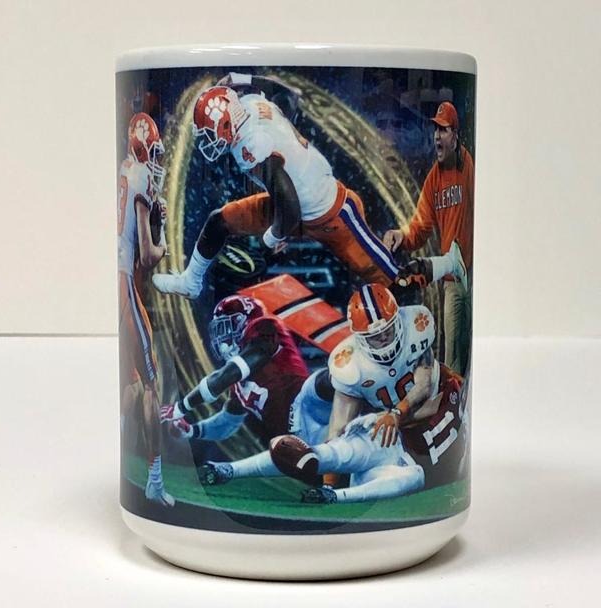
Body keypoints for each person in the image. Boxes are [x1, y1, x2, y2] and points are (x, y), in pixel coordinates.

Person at [152, 79, 466, 300]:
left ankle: (449, 263)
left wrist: (269, 241)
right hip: (291, 202)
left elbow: (290, 209)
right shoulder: (251, 104)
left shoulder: (250, 143)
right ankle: (191, 281)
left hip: (331, 213)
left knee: (396, 283)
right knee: (219, 221)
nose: (208, 143)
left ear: (226, 124)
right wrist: (241, 78)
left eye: (210, 133)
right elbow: (288, 95)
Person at [270, 283, 465, 503]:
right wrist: (328, 483)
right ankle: (331, 491)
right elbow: (338, 429)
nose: (383, 339)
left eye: (387, 331)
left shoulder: (416, 325)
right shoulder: (350, 365)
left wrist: (397, 412)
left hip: (438, 405)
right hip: (399, 432)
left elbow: (424, 386)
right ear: (360, 338)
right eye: (374, 336)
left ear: (398, 321)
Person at [160, 294, 333, 484]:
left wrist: (181, 407)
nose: (223, 336)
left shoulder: (265, 327)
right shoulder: (238, 384)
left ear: (245, 320)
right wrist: (192, 430)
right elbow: (226, 424)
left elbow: (224, 376)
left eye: (227, 326)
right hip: (298, 443)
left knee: (323, 381)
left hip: (316, 415)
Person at [383, 101, 474, 375]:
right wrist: (401, 235)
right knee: (452, 358)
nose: (437, 136)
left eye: (443, 130)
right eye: (435, 129)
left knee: (473, 347)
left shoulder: (468, 166)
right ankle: (455, 400)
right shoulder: (434, 178)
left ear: (455, 136)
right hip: (453, 281)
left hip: (476, 274)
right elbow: (420, 227)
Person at [118, 112, 174, 507]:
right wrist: (163, 235)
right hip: (124, 280)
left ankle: (123, 463)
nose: (157, 159)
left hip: (117, 277)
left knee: (133, 383)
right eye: (152, 151)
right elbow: (148, 256)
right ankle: (154, 481)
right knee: (152, 385)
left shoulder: (125, 168)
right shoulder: (141, 178)